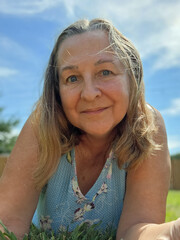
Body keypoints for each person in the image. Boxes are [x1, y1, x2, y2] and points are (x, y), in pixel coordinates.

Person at [0, 18, 179, 240]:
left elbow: (138, 227)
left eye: (105, 72)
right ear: (57, 91)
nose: (89, 93)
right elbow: (8, 223)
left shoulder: (148, 127)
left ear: (132, 78)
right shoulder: (42, 125)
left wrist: (173, 231)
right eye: (72, 78)